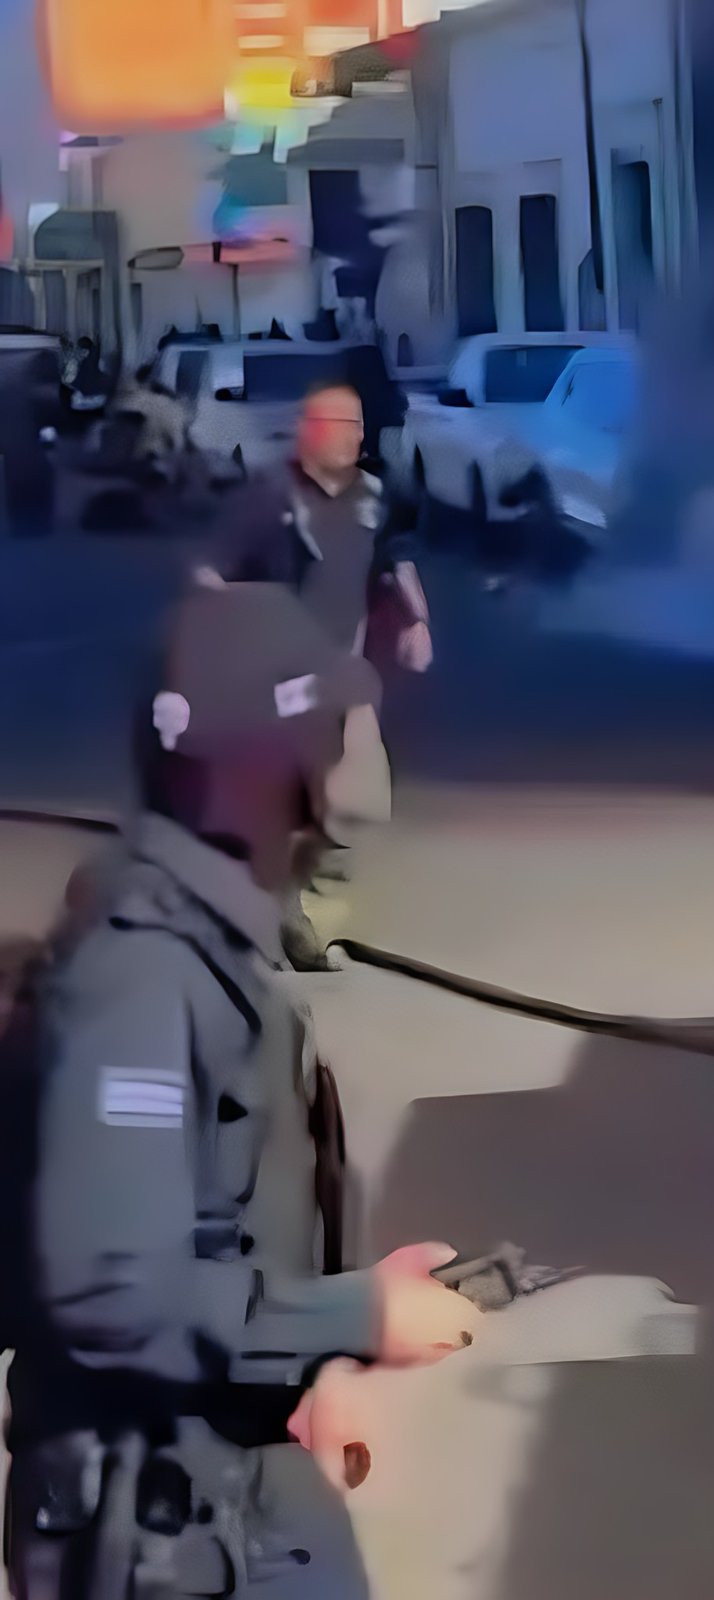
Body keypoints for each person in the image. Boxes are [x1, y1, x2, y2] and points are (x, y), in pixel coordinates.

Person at [4, 583, 480, 1598]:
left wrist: (320, 1343)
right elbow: (113, 1289)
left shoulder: (204, 944)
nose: (345, 756)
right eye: (325, 728)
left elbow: (219, 1212)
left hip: (223, 1486)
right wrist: (351, 1316)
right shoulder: (141, 975)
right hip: (162, 1528)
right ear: (257, 767)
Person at [193, 380, 433, 968]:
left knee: (352, 787)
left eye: (355, 425)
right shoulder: (268, 498)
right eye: (334, 425)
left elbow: (395, 560)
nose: (348, 437)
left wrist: (417, 620)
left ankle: (315, 881)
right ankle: (281, 917)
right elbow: (211, 571)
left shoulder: (376, 497)